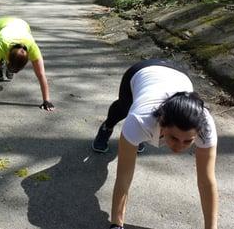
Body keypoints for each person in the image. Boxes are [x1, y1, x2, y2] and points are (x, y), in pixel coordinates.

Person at [92, 59, 218, 229]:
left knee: (136, 137)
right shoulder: (139, 121)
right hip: (140, 73)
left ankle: (138, 141)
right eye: (174, 138)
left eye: (188, 141)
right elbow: (124, 176)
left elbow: (206, 182)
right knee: (123, 109)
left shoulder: (206, 127)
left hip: (178, 74)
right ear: (162, 123)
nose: (180, 147)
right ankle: (107, 126)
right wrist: (116, 224)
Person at [0, 17, 54, 111]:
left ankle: (8, 67)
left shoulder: (32, 47)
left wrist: (46, 100)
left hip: (21, 24)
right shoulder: (0, 45)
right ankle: (0, 64)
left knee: (2, 70)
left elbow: (41, 74)